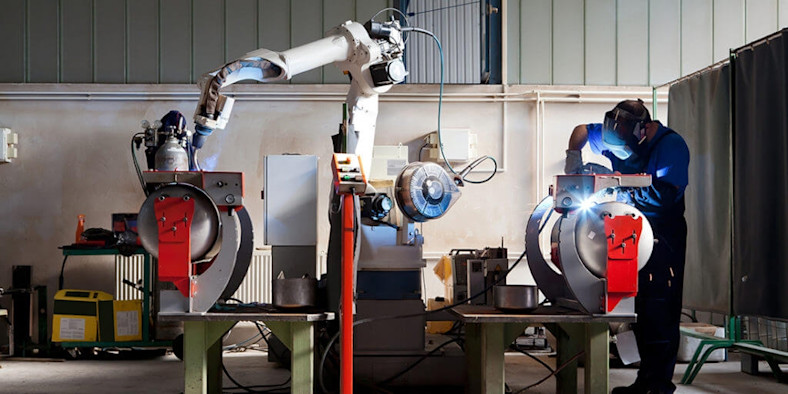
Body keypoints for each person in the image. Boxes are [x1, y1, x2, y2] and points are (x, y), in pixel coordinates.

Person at [565, 99, 690, 394]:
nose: (616, 152)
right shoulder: (615, 131)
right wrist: (573, 159)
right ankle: (644, 382)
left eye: (620, 147)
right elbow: (580, 130)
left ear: (641, 130)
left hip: (663, 234)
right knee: (641, 309)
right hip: (631, 231)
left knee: (660, 309)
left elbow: (663, 198)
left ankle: (659, 386)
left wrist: (617, 193)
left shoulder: (670, 146)